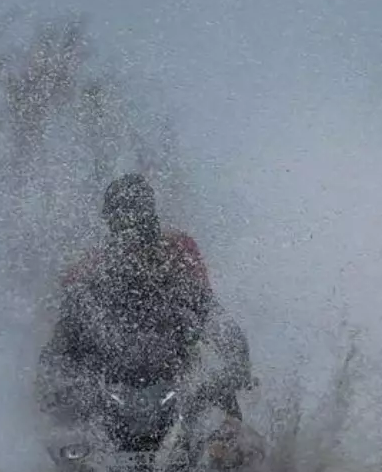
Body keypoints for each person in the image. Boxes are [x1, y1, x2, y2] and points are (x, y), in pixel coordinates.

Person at [39, 172, 251, 427]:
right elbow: (64, 337)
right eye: (124, 222)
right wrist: (53, 384)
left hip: (178, 380)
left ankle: (236, 453)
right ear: (112, 225)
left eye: (141, 221)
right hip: (111, 389)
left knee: (223, 424)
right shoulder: (90, 273)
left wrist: (238, 364)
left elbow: (211, 314)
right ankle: (73, 465)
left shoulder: (178, 256)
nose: (135, 242)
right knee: (67, 428)